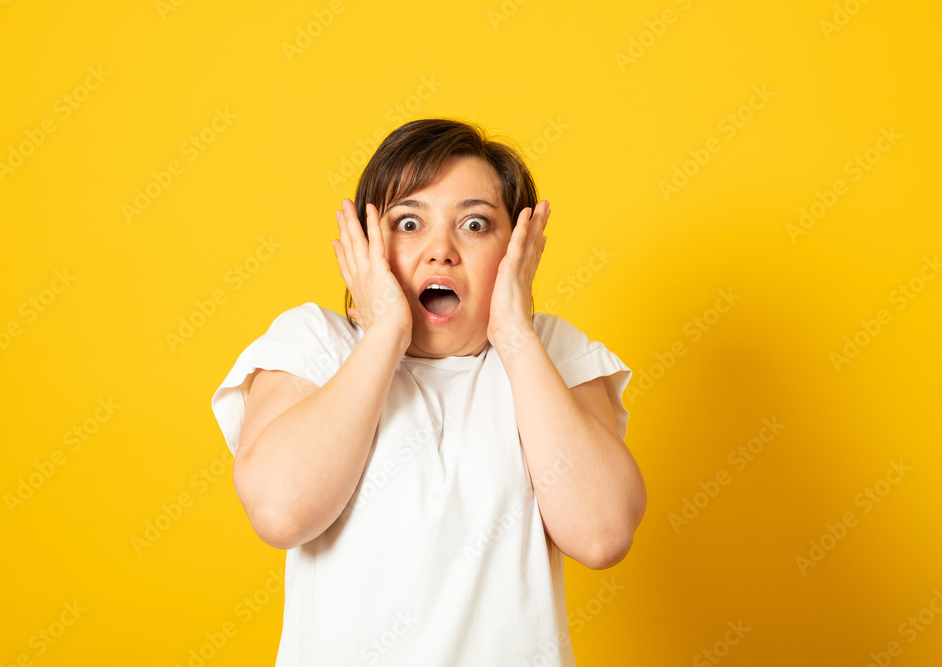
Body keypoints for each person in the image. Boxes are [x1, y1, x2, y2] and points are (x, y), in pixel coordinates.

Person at [210, 118, 646, 666]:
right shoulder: (316, 345)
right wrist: (385, 334)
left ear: (517, 251)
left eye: (475, 224)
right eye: (409, 223)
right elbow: (281, 512)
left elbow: (603, 534)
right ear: (368, 246)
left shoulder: (552, 355)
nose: (440, 251)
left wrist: (513, 334)